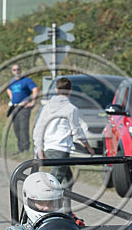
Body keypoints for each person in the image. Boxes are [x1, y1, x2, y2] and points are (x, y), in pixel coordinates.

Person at [32, 77, 94, 211]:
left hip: (49, 147)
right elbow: (77, 131)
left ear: (56, 89)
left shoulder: (47, 107)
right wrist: (88, 147)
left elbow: (38, 128)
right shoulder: (71, 109)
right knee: (54, 184)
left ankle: (66, 211)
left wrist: (39, 149)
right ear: (70, 90)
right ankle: (45, 212)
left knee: (67, 180)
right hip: (61, 149)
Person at [0, 171, 65, 230]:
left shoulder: (69, 226)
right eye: (41, 203)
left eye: (51, 202)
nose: (46, 208)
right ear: (29, 201)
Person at [6, 63, 38, 155]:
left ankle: (26, 149)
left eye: (18, 69)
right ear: (12, 71)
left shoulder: (26, 80)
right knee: (16, 128)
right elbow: (8, 89)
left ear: (21, 70)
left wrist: (33, 102)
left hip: (24, 107)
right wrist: (11, 98)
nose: (16, 71)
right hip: (14, 107)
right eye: (14, 70)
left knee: (23, 128)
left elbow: (35, 89)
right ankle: (20, 149)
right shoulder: (12, 81)